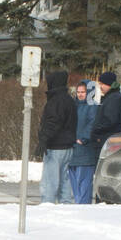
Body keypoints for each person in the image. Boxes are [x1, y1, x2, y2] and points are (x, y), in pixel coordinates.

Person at [35, 69, 76, 204]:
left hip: (55, 147)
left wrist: (43, 140)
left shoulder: (55, 102)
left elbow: (52, 123)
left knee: (49, 182)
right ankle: (66, 205)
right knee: (64, 181)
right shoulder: (69, 100)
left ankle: (47, 206)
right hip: (68, 147)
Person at [68, 79, 99, 204]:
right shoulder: (73, 106)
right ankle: (78, 205)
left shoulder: (93, 107)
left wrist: (83, 139)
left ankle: (83, 207)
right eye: (78, 92)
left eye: (83, 92)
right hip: (72, 150)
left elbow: (92, 124)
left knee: (84, 182)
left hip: (86, 150)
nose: (80, 94)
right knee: (74, 184)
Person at [89, 70, 121, 152]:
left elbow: (110, 121)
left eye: (102, 84)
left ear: (109, 84)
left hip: (111, 140)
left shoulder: (114, 98)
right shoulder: (112, 97)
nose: (100, 86)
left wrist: (95, 129)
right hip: (112, 139)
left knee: (109, 163)